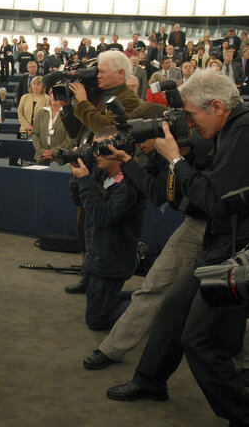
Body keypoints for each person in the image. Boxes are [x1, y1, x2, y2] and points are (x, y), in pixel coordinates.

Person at [106, 70, 249, 427]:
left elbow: (213, 198)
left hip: (235, 246)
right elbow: (178, 191)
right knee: (172, 308)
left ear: (217, 106)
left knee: (201, 341)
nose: (187, 123)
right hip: (221, 241)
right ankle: (150, 380)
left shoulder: (242, 133)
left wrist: (175, 159)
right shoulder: (228, 131)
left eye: (190, 116)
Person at [82, 102, 208, 371]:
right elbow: (158, 194)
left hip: (226, 227)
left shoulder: (206, 145)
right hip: (196, 222)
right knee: (154, 286)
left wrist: (172, 158)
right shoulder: (154, 157)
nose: (136, 144)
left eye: (139, 137)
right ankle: (112, 349)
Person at [69, 126, 145, 330]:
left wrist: (85, 180)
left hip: (112, 260)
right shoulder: (101, 174)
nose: (95, 154)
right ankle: (143, 296)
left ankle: (151, 305)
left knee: (97, 321)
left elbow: (103, 216)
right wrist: (77, 176)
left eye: (101, 149)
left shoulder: (129, 185)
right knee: (101, 300)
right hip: (97, 255)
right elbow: (79, 200)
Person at [31, 95, 74, 164]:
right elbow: (34, 133)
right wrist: (42, 151)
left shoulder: (69, 114)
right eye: (52, 94)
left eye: (56, 94)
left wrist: (53, 152)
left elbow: (70, 139)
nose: (54, 97)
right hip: (42, 157)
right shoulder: (41, 112)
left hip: (61, 158)